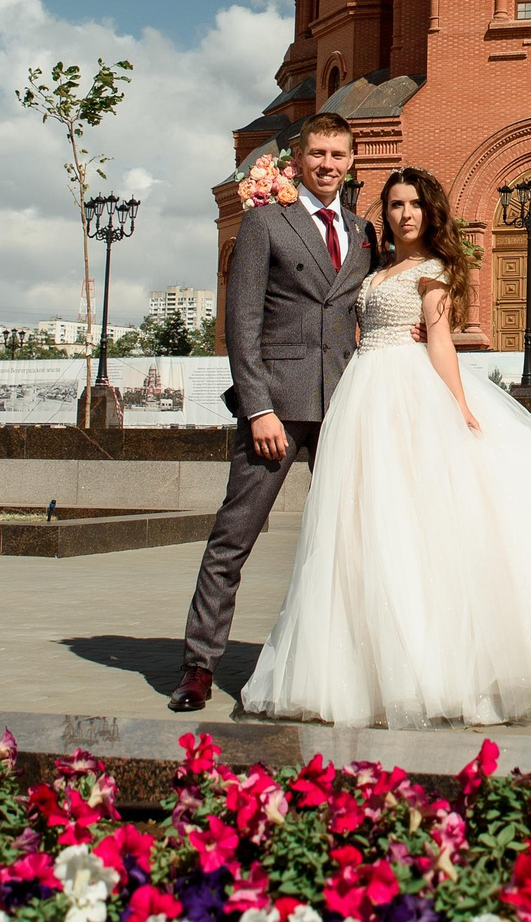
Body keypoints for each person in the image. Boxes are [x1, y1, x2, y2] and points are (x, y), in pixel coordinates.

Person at [243, 165, 531, 727]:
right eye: (395, 205)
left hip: (408, 393)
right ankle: (375, 662)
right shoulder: (375, 265)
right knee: (375, 522)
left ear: (430, 212)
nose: (405, 214)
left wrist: (459, 405)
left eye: (415, 204)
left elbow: (440, 342)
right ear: (383, 214)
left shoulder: (433, 271)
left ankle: (443, 664)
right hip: (365, 397)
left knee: (429, 519)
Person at [170, 112, 373, 714]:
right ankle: (199, 666)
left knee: (350, 541)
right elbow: (242, 323)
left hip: (341, 408)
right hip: (276, 411)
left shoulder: (363, 231)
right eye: (318, 154)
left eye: (338, 155)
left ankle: (350, 662)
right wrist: (258, 408)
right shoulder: (265, 222)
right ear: (298, 158)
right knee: (233, 538)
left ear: (352, 162)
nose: (328, 165)